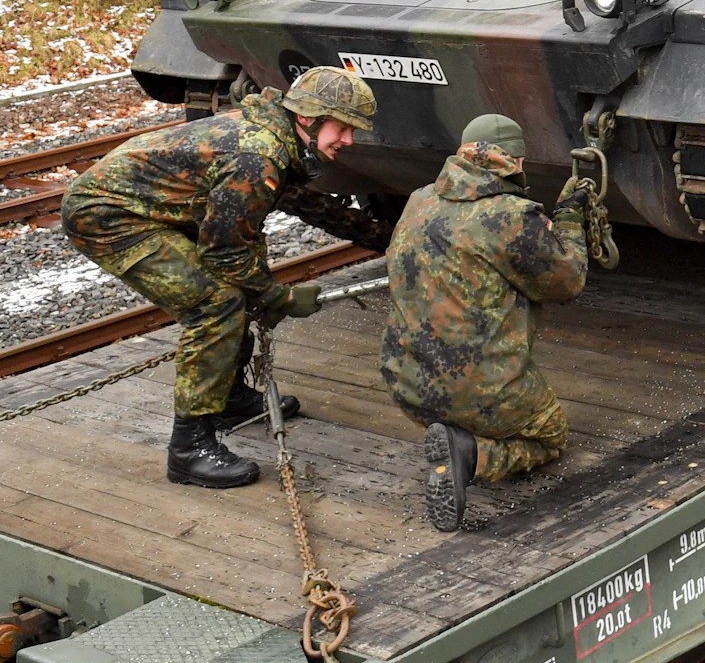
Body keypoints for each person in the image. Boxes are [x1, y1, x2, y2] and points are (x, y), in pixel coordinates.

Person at [61, 67, 378, 488]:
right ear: (308, 118)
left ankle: (227, 398)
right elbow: (224, 251)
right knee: (216, 304)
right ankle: (190, 449)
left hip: (151, 208)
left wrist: (389, 238)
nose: (349, 140)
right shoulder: (258, 154)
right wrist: (279, 297)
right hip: (107, 216)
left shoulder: (276, 137)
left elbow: (309, 206)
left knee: (237, 289)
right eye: (343, 127)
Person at [379, 114, 590, 531]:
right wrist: (569, 218)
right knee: (549, 436)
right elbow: (568, 281)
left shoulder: (418, 199)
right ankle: (471, 454)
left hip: (407, 383)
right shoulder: (510, 215)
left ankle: (456, 430)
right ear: (517, 161)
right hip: (483, 390)